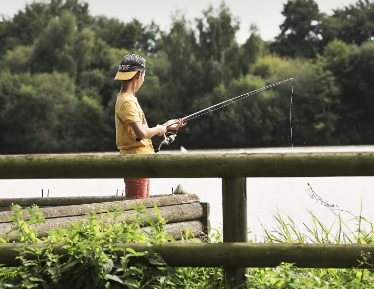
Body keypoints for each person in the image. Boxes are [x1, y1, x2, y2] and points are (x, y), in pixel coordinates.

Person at [114, 53, 185, 200]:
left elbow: (141, 131)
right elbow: (141, 133)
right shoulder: (127, 102)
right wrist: (159, 129)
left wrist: (165, 126)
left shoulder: (128, 99)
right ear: (139, 74)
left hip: (140, 162)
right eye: (144, 75)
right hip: (136, 163)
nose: (143, 79)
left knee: (141, 208)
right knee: (137, 211)